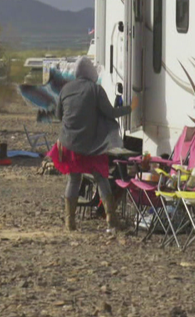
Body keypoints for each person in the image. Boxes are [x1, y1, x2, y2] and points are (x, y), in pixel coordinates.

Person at [48, 56, 137, 232]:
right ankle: (111, 220)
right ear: (90, 72)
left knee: (74, 180)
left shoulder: (66, 89)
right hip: (92, 146)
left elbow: (58, 115)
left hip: (70, 143)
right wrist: (130, 108)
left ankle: (70, 222)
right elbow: (110, 112)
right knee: (102, 178)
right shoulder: (95, 90)